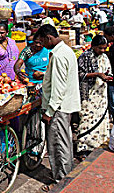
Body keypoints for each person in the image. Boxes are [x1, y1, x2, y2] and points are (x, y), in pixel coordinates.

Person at [34, 25, 80, 188]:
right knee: (64, 142)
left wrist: (50, 110)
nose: (42, 46)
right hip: (64, 106)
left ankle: (61, 181)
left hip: (59, 108)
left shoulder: (60, 55)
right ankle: (65, 175)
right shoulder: (66, 51)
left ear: (48, 38)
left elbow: (59, 87)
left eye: (42, 41)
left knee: (58, 144)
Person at [76, 35, 113, 158]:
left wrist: (107, 76)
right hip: (88, 93)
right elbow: (78, 74)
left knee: (100, 118)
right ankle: (83, 147)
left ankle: (97, 144)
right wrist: (96, 74)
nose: (102, 51)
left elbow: (108, 70)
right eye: (100, 48)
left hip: (101, 94)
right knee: (87, 118)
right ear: (93, 46)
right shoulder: (85, 57)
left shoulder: (105, 57)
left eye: (104, 48)